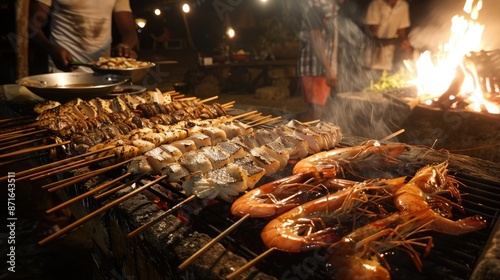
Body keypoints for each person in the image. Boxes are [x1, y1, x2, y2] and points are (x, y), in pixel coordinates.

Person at [29, 0, 138, 72]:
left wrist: (125, 47)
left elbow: (129, 32)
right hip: (63, 68)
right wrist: (50, 48)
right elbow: (31, 27)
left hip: (102, 71)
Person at [298, 0, 344, 121]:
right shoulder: (316, 7)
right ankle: (300, 137)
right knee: (316, 113)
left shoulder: (332, 9)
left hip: (324, 69)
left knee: (321, 113)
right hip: (315, 69)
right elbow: (316, 40)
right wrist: (328, 69)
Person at [363, 0, 411, 79]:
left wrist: (404, 44)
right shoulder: (376, 4)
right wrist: (396, 41)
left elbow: (401, 35)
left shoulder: (403, 6)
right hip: (370, 61)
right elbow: (373, 40)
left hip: (387, 61)